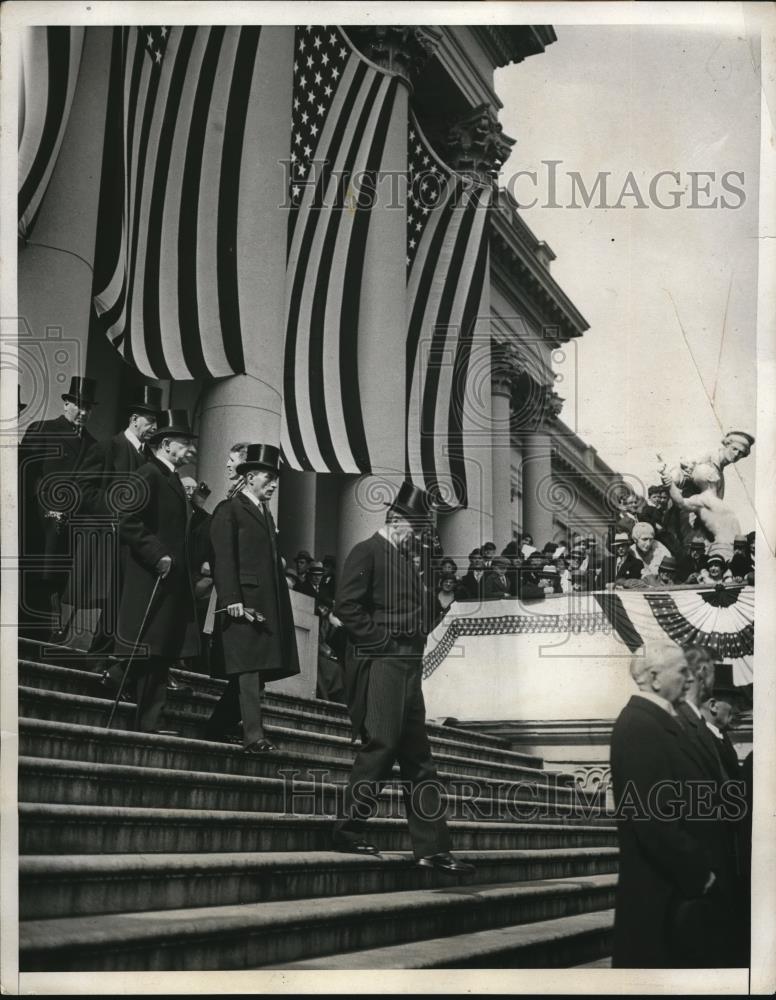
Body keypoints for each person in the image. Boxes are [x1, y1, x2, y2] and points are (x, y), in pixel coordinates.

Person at [333, 481, 474, 875]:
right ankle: (347, 830)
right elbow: (347, 605)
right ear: (396, 521)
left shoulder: (406, 559)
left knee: (419, 757)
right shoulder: (367, 551)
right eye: (413, 527)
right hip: (384, 662)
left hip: (409, 664)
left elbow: (424, 611)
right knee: (382, 744)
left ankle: (432, 848)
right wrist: (380, 641)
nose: (417, 535)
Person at [610, 642, 736, 968]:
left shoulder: (657, 721)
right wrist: (699, 873)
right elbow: (652, 818)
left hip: (673, 895)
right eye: (681, 671)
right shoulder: (639, 725)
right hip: (662, 900)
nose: (688, 678)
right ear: (654, 677)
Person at [108, 410, 200, 734]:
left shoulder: (172, 478)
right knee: (151, 649)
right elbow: (126, 519)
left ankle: (146, 714)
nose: (191, 449)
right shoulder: (148, 474)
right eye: (185, 443)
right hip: (150, 576)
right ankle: (144, 716)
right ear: (165, 444)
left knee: (159, 651)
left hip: (168, 581)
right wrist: (157, 554)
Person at [207, 444, 300, 754]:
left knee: (253, 674)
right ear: (248, 478)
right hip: (243, 603)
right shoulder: (229, 509)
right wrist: (231, 596)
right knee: (248, 672)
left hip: (266, 604)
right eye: (268, 476)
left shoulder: (263, 512)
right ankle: (253, 737)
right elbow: (223, 558)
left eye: (275, 478)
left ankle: (215, 728)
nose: (273, 484)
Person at [63, 386, 162, 651]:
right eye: (150, 421)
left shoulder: (150, 459)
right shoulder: (107, 447)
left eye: (156, 422)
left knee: (123, 607)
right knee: (96, 602)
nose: (154, 427)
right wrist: (114, 509)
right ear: (134, 420)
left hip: (133, 546)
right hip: (104, 542)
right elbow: (82, 490)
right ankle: (84, 657)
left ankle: (106, 662)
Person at [19, 375, 99, 636]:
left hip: (71, 531)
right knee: (32, 583)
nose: (83, 412)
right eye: (78, 405)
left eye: (88, 408)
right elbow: (26, 476)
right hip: (39, 526)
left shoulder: (94, 446)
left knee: (58, 586)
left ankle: (46, 637)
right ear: (66, 404)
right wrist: (45, 507)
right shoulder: (42, 429)